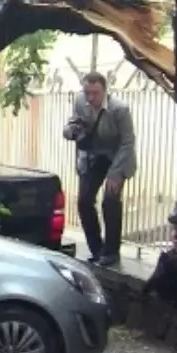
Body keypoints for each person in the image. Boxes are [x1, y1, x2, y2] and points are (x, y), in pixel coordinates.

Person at [62, 72, 136, 267]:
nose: (91, 98)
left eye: (95, 93)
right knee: (84, 201)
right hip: (94, 157)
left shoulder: (119, 109)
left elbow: (128, 142)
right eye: (87, 92)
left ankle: (112, 253)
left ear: (104, 90)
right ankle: (97, 249)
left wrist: (116, 173)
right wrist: (71, 129)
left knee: (110, 201)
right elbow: (75, 121)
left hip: (117, 156)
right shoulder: (80, 100)